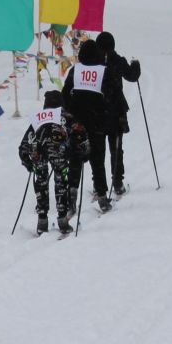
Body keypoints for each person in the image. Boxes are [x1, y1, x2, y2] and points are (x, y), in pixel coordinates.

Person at [19, 90, 90, 237]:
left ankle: (42, 220)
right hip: (58, 150)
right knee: (60, 181)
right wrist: (84, 150)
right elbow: (80, 132)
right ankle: (62, 219)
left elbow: (25, 143)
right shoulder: (64, 116)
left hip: (37, 150)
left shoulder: (38, 118)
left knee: (41, 182)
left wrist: (26, 160)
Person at [62, 38, 112, 214]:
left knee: (75, 160)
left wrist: (69, 115)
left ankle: (71, 199)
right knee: (97, 161)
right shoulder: (103, 71)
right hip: (96, 122)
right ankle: (103, 198)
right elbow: (110, 96)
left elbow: (65, 95)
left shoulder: (75, 70)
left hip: (77, 123)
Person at [94, 32, 142, 197]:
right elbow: (132, 76)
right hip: (116, 110)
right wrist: (135, 64)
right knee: (116, 147)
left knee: (98, 150)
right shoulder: (118, 60)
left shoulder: (93, 62)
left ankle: (98, 184)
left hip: (97, 110)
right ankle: (117, 181)